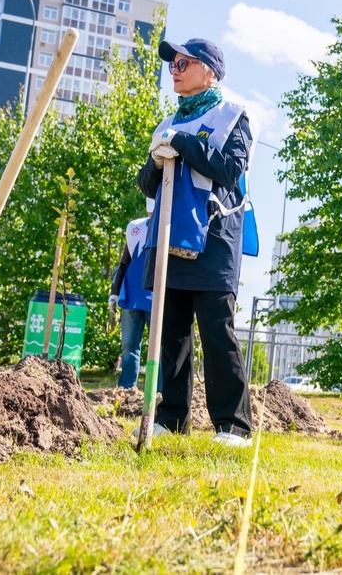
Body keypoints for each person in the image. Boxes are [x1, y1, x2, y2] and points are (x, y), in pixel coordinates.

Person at [134, 37, 257, 447]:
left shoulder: (232, 116)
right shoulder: (167, 122)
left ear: (209, 71)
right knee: (170, 335)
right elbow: (147, 187)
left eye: (184, 63)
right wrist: (154, 161)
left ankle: (233, 426)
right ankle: (170, 418)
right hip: (168, 236)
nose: (175, 69)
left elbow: (230, 169)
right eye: (172, 63)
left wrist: (185, 144)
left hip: (213, 239)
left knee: (216, 332)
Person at [109, 200, 153, 390]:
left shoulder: (170, 229)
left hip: (156, 300)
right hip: (132, 296)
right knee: (128, 345)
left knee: (158, 348)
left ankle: (159, 390)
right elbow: (124, 263)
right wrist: (115, 291)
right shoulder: (136, 228)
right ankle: (127, 388)